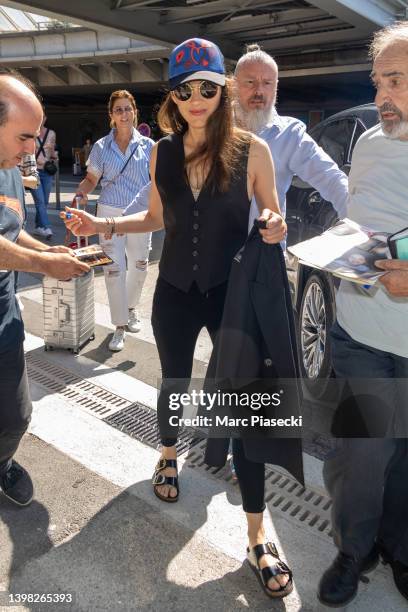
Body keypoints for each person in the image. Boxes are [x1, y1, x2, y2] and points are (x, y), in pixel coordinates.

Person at [63, 38, 297, 598]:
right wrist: (104, 229)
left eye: (209, 88)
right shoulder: (162, 152)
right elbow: (154, 216)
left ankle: (259, 532)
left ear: (224, 92)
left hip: (229, 294)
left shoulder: (251, 150)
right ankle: (168, 454)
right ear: (173, 95)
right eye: (185, 89)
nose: (197, 98)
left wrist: (274, 223)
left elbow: (273, 211)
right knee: (172, 380)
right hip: (174, 292)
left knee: (246, 402)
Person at [318, 22, 408, 607]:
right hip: (359, 329)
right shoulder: (369, 142)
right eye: (378, 82)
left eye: (395, 81)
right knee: (361, 451)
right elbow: (364, 218)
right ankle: (354, 550)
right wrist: (342, 244)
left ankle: (400, 549)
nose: (381, 96)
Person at [0, 70, 90, 507]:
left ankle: (1, 464)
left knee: (15, 416)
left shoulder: (13, 171)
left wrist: (53, 255)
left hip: (4, 318)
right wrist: (45, 265)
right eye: (23, 137)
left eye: (35, 137)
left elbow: (11, 234)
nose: (31, 149)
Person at [233, 44, 349, 227]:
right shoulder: (215, 129)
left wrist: (363, 227)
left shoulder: (290, 135)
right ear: (234, 84)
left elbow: (332, 180)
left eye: (267, 83)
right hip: (216, 252)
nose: (259, 91)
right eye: (250, 82)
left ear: (276, 87)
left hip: (266, 250)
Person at [75, 90, 154, 352]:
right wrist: (81, 193)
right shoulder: (100, 147)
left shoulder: (149, 147)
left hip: (140, 215)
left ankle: (130, 309)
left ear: (134, 112)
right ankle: (119, 326)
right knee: (113, 270)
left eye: (127, 109)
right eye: (118, 110)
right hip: (108, 213)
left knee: (140, 266)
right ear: (111, 115)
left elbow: (157, 182)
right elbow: (91, 179)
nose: (123, 114)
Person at [30, 113, 58, 238]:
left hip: (46, 172)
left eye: (43, 117)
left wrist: (55, 156)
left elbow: (52, 151)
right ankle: (47, 228)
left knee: (44, 202)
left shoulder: (51, 134)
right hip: (33, 172)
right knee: (40, 201)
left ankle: (38, 227)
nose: (40, 120)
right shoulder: (30, 133)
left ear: (45, 119)